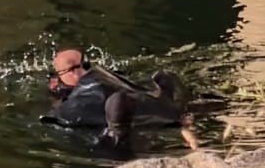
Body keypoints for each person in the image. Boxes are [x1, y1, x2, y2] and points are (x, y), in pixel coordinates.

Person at [44, 47, 188, 148]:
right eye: (72, 69)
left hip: (145, 109)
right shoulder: (67, 101)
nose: (82, 71)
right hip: (121, 122)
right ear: (54, 81)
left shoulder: (107, 78)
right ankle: (117, 133)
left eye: (85, 64)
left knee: (164, 77)